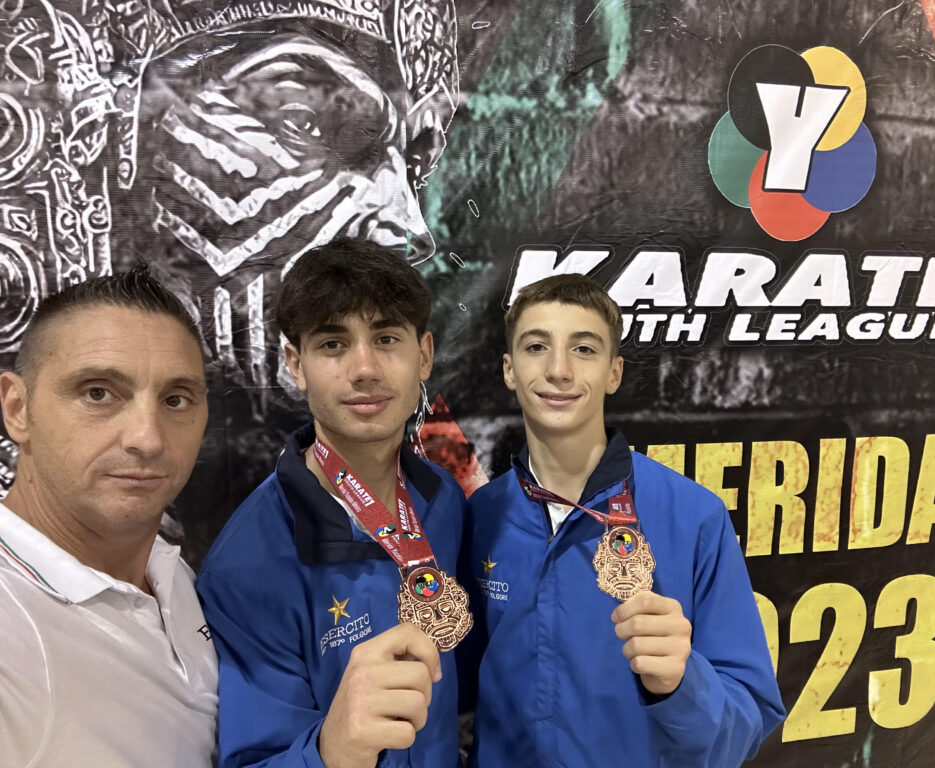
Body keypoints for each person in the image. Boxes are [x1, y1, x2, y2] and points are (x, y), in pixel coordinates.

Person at [465, 274, 786, 767]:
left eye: (584, 349)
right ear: (509, 369)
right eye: (536, 347)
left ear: (614, 373)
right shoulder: (481, 516)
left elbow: (749, 720)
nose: (558, 370)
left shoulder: (694, 516)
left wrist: (680, 684)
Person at [196, 238, 471, 768]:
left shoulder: (443, 499)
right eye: (332, 344)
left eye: (386, 338)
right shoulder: (246, 564)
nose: (364, 368)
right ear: (295, 364)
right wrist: (334, 749)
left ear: (424, 355)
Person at [0, 266, 217, 767]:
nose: (148, 438)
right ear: (17, 409)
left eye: (176, 399)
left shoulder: (170, 574)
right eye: (98, 392)